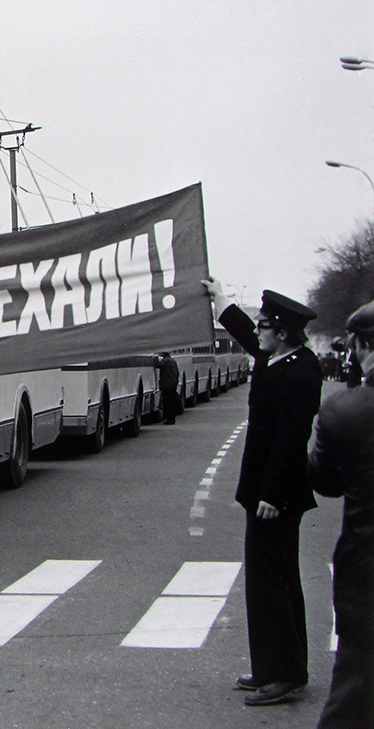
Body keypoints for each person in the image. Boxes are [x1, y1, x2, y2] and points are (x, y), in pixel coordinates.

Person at [202, 279, 322, 706]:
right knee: (270, 580)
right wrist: (219, 298)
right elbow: (245, 333)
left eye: (265, 327)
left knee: (275, 583)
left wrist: (272, 494)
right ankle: (274, 668)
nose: (259, 333)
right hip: (264, 494)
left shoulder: (300, 374)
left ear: (283, 333)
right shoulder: (279, 359)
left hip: (278, 497)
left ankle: (285, 674)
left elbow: (291, 441)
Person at [305, 300, 374, 729]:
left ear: (362, 345)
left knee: (355, 680)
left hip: (366, 562)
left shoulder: (341, 411)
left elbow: (325, 482)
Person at [157, 351, 180, 424]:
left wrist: (155, 359)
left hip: (166, 385)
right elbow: (177, 373)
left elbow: (157, 365)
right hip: (173, 384)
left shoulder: (165, 361)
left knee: (167, 403)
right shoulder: (173, 361)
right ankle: (172, 418)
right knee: (172, 402)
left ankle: (169, 419)